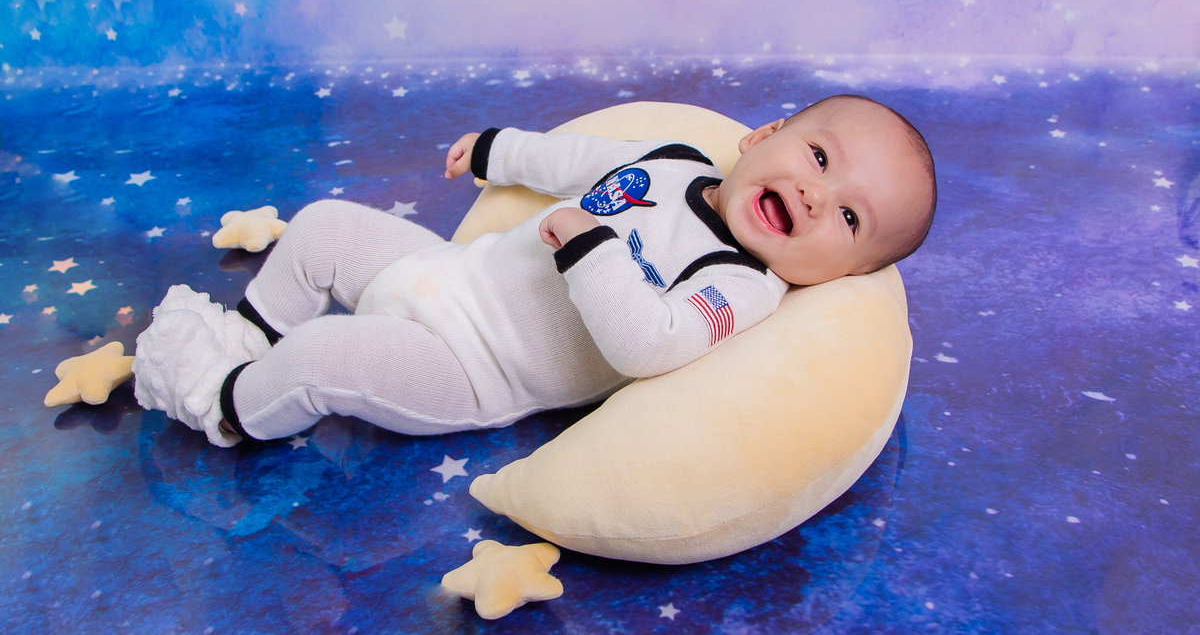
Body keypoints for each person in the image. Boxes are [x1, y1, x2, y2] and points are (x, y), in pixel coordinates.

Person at [132, 95, 936, 447]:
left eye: (850, 218)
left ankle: (225, 405)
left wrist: (593, 248)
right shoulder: (677, 158)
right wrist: (499, 149)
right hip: (449, 270)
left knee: (322, 360)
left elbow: (648, 343)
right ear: (765, 134)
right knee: (324, 226)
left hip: (475, 366)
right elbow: (575, 159)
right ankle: (248, 334)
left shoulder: (742, 286)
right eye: (819, 157)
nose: (816, 195)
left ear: (841, 273)